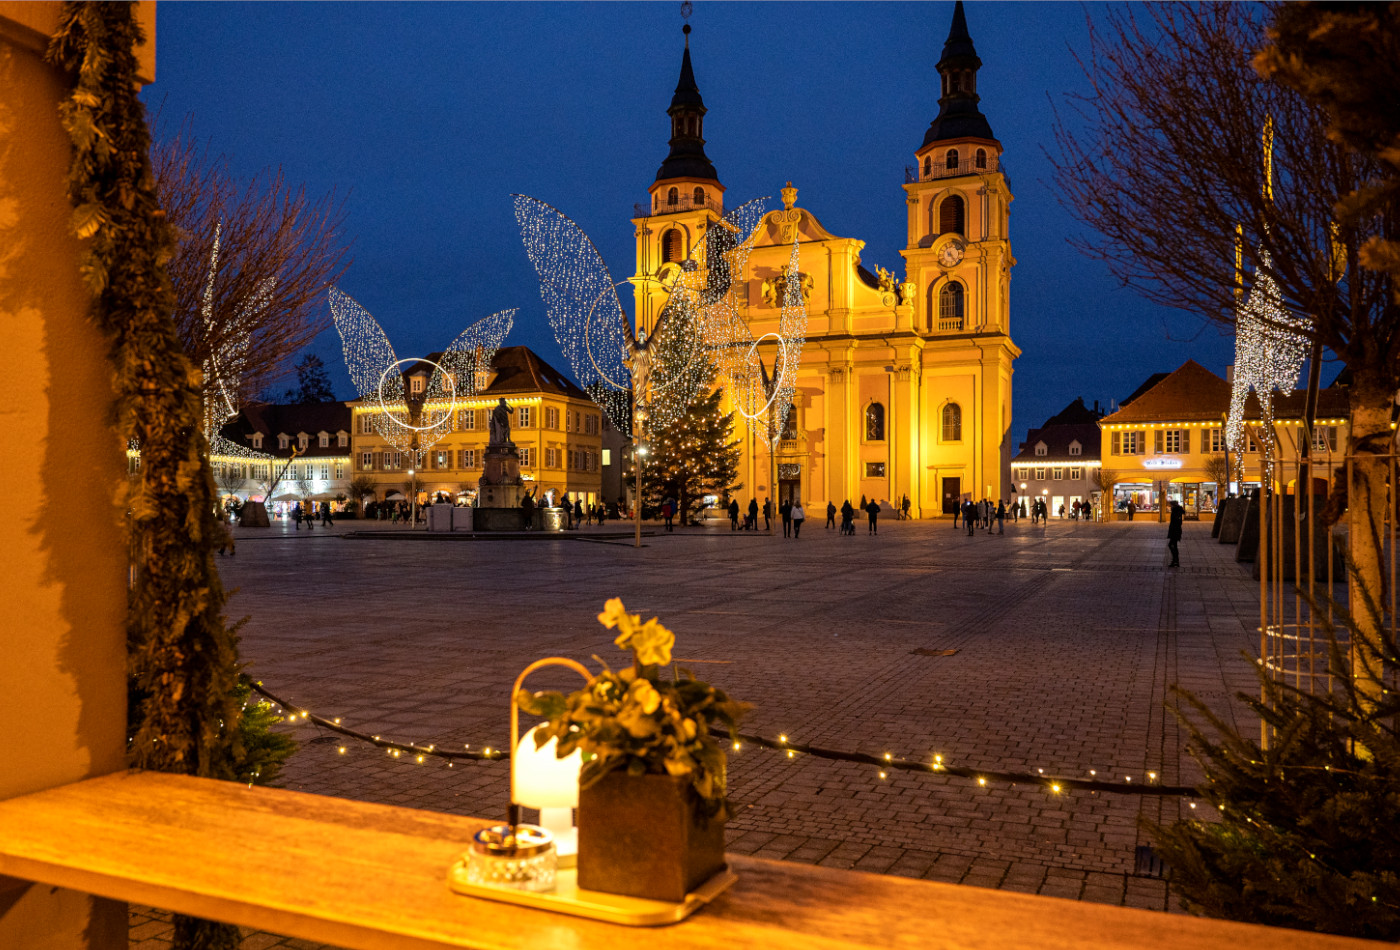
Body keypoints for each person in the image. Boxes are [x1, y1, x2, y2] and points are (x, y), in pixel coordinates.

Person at [1167, 500, 1183, 567]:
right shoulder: (1177, 511)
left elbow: (1176, 522)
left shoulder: (1176, 511)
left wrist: (1173, 530)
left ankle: (1175, 560)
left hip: (1175, 531)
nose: (1170, 507)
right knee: (1174, 545)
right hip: (1176, 531)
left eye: (1171, 505)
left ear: (1173, 505)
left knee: (1171, 545)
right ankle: (1175, 561)